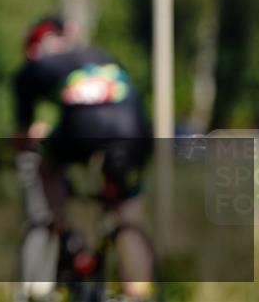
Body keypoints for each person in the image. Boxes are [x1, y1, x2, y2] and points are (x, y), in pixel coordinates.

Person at [12, 15, 155, 300]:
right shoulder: (98, 55)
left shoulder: (32, 68)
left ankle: (68, 237)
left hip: (82, 127)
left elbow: (22, 137)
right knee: (126, 208)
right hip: (134, 127)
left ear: (32, 49)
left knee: (46, 168)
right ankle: (136, 291)